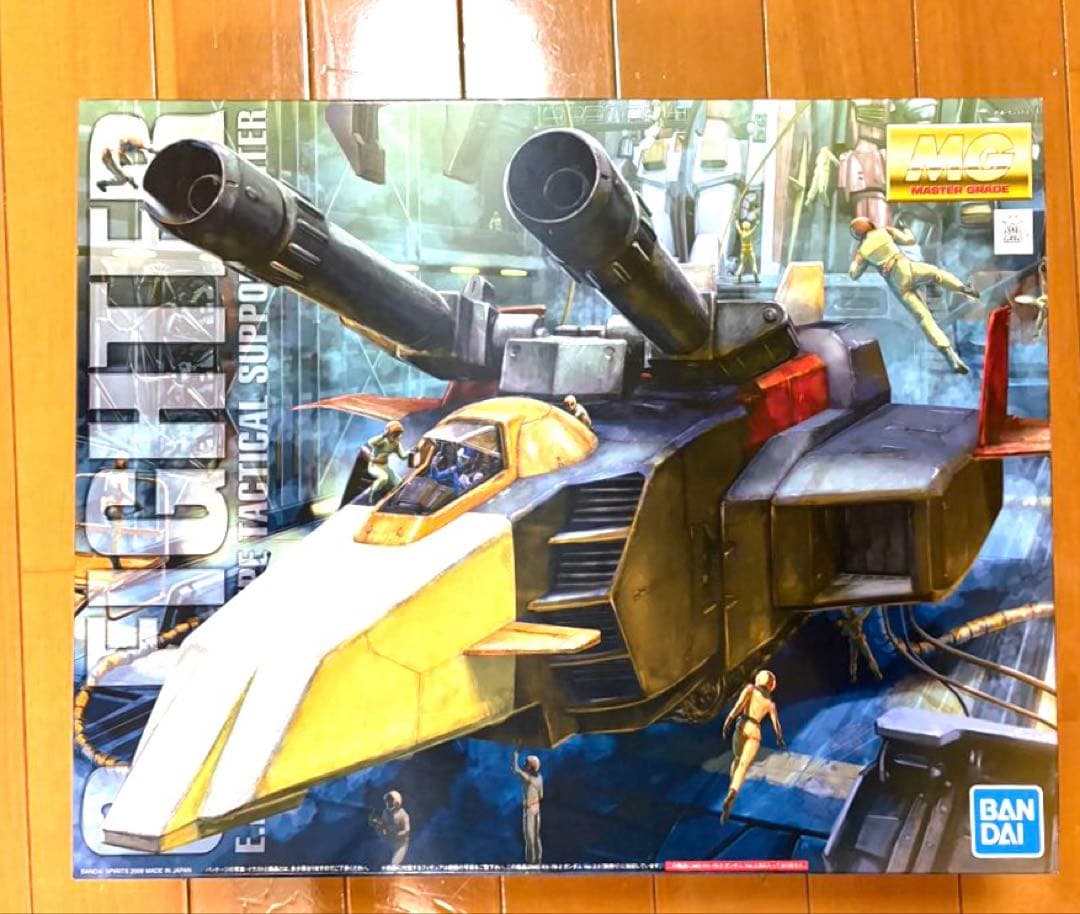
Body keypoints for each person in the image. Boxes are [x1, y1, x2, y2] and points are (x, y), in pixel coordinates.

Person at [848, 216, 976, 374]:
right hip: (907, 268)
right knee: (937, 274)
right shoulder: (885, 231)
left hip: (897, 284)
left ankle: (951, 357)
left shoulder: (862, 251)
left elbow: (853, 274)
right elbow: (909, 240)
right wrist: (906, 228)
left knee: (925, 319)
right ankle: (964, 289)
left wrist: (858, 259)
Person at [720, 670, 785, 824]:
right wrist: (779, 738)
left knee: (737, 759)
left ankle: (731, 789)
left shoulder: (750, 689)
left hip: (742, 725)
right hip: (755, 730)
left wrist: (728, 720)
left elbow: (738, 706)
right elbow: (776, 725)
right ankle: (733, 792)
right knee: (743, 766)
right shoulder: (770, 704)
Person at [363, 420, 409, 503]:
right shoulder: (382, 441)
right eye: (395, 434)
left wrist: (412, 451)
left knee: (399, 483)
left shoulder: (396, 444)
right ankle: (373, 495)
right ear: (389, 433)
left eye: (398, 434)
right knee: (383, 478)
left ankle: (394, 498)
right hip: (375, 465)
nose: (396, 436)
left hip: (385, 466)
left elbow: (403, 456)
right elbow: (370, 443)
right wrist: (382, 436)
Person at [511, 750, 544, 865]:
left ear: (531, 766)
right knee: (536, 836)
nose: (524, 765)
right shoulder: (539, 778)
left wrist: (516, 754)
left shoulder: (528, 778)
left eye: (526, 763)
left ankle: (532, 862)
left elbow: (515, 769)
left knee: (530, 837)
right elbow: (541, 795)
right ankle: (538, 860)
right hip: (536, 808)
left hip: (530, 809)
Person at [836, 607, 883, 683]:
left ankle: (877, 672)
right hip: (853, 640)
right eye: (845, 612)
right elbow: (843, 632)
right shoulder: (847, 621)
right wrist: (844, 627)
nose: (846, 613)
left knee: (869, 657)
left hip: (860, 639)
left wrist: (844, 624)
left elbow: (862, 615)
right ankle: (853, 676)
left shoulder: (856, 618)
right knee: (853, 659)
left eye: (847, 611)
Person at [375, 790, 410, 866]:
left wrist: (397, 835)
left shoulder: (403, 814)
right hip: (389, 842)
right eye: (387, 801)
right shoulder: (385, 812)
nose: (388, 803)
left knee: (394, 863)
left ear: (397, 801)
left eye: (390, 800)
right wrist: (379, 827)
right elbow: (383, 826)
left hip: (401, 844)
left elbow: (407, 830)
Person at [734, 218, 760, 283]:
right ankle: (756, 278)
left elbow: (738, 228)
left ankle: (738, 277)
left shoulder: (742, 233)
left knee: (742, 264)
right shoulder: (749, 233)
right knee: (753, 264)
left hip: (743, 252)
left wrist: (736, 222)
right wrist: (756, 224)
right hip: (750, 252)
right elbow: (754, 230)